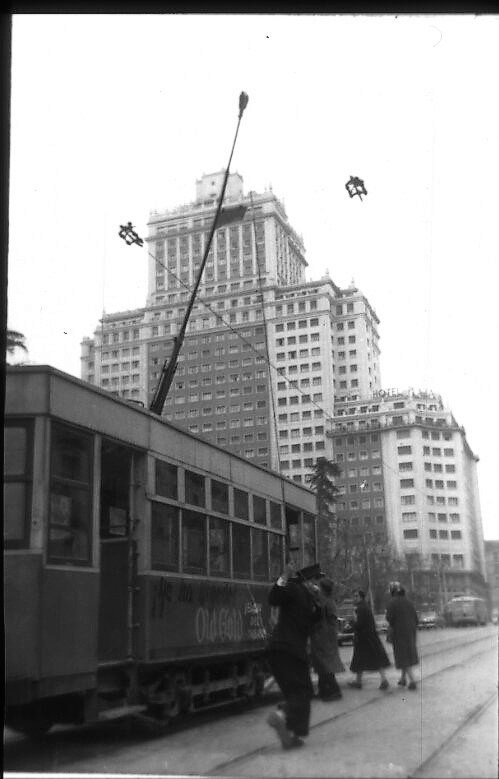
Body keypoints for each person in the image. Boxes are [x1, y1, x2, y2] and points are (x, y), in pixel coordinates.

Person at [266, 560, 321, 749]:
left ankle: (290, 736)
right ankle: (282, 716)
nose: (318, 585)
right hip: (289, 651)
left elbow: (315, 622)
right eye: (316, 581)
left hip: (283, 651)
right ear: (308, 580)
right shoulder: (295, 589)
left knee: (295, 693)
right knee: (303, 691)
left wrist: (316, 600)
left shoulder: (307, 596)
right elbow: (273, 597)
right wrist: (285, 576)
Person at [309, 577, 345, 701]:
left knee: (325, 665)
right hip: (324, 637)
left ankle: (335, 690)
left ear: (323, 589)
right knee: (322, 664)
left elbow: (321, 611)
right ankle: (323, 690)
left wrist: (314, 592)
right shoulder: (328, 601)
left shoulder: (327, 602)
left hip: (324, 637)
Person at [348, 589, 391, 690]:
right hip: (370, 637)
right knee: (371, 659)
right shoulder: (364, 607)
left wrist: (351, 624)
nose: (354, 598)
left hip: (364, 639)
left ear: (361, 597)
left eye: (356, 596)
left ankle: (361, 682)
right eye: (354, 596)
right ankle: (382, 680)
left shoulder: (360, 608)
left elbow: (359, 624)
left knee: (361, 660)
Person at [386, 582, 419, 690]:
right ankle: (403, 679)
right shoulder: (409, 602)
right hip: (411, 632)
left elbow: (389, 618)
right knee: (407, 655)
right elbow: (416, 618)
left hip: (399, 633)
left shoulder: (392, 602)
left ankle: (412, 680)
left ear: (392, 591)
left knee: (402, 657)